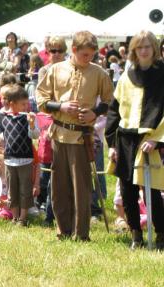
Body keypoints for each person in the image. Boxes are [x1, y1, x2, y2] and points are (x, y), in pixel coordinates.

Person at [36, 30, 114, 241]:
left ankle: (81, 234)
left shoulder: (99, 73)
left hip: (82, 136)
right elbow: (41, 99)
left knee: (82, 187)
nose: (88, 59)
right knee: (60, 186)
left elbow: (110, 101)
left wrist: (94, 112)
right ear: (74, 50)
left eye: (91, 55)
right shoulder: (55, 70)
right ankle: (63, 230)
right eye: (84, 55)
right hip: (59, 134)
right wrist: (61, 106)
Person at [105, 30, 164, 250]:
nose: (144, 50)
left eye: (148, 46)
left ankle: (161, 234)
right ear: (134, 51)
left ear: (154, 48)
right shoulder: (127, 76)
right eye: (140, 47)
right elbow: (114, 110)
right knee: (127, 189)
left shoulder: (162, 74)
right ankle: (136, 234)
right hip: (126, 139)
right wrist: (112, 143)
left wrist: (158, 139)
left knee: (153, 191)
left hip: (151, 139)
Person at [0, 84, 40, 226]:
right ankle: (14, 217)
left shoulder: (27, 118)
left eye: (27, 104)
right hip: (9, 160)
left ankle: (23, 218)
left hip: (25, 160)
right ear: (12, 104)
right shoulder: (4, 118)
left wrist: (32, 124)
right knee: (12, 190)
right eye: (23, 104)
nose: (26, 107)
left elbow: (35, 135)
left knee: (25, 189)